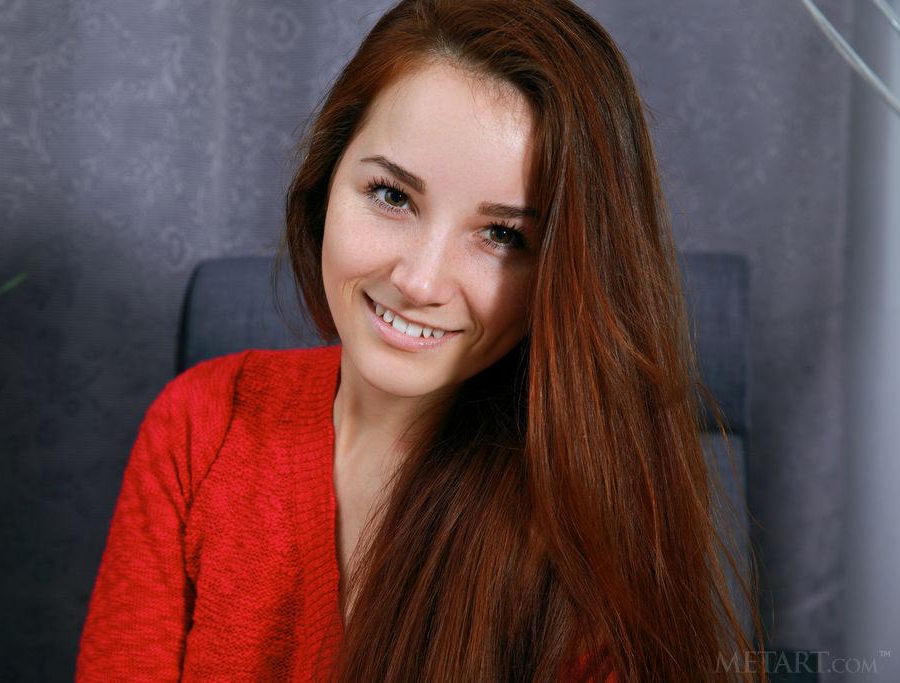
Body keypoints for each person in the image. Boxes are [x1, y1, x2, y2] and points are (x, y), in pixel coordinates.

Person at [76, 0, 767, 680]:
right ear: (326, 178)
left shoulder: (584, 533)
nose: (420, 281)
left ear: (565, 275)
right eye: (392, 195)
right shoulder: (201, 423)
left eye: (502, 236)